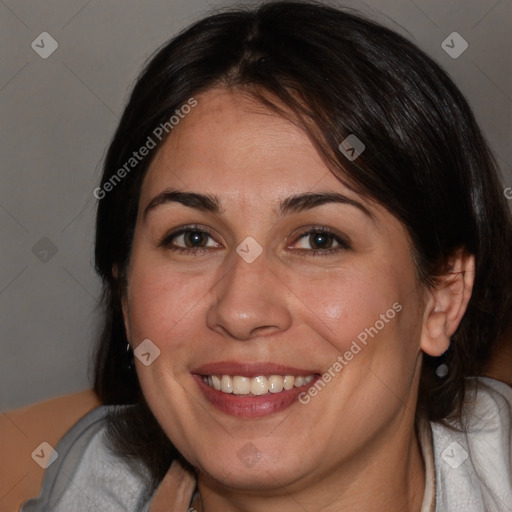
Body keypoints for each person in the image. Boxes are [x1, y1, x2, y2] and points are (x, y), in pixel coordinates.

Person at [20, 1, 512, 511]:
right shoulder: (89, 485)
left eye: (319, 240)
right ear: (124, 294)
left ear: (443, 298)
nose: (241, 311)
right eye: (192, 239)